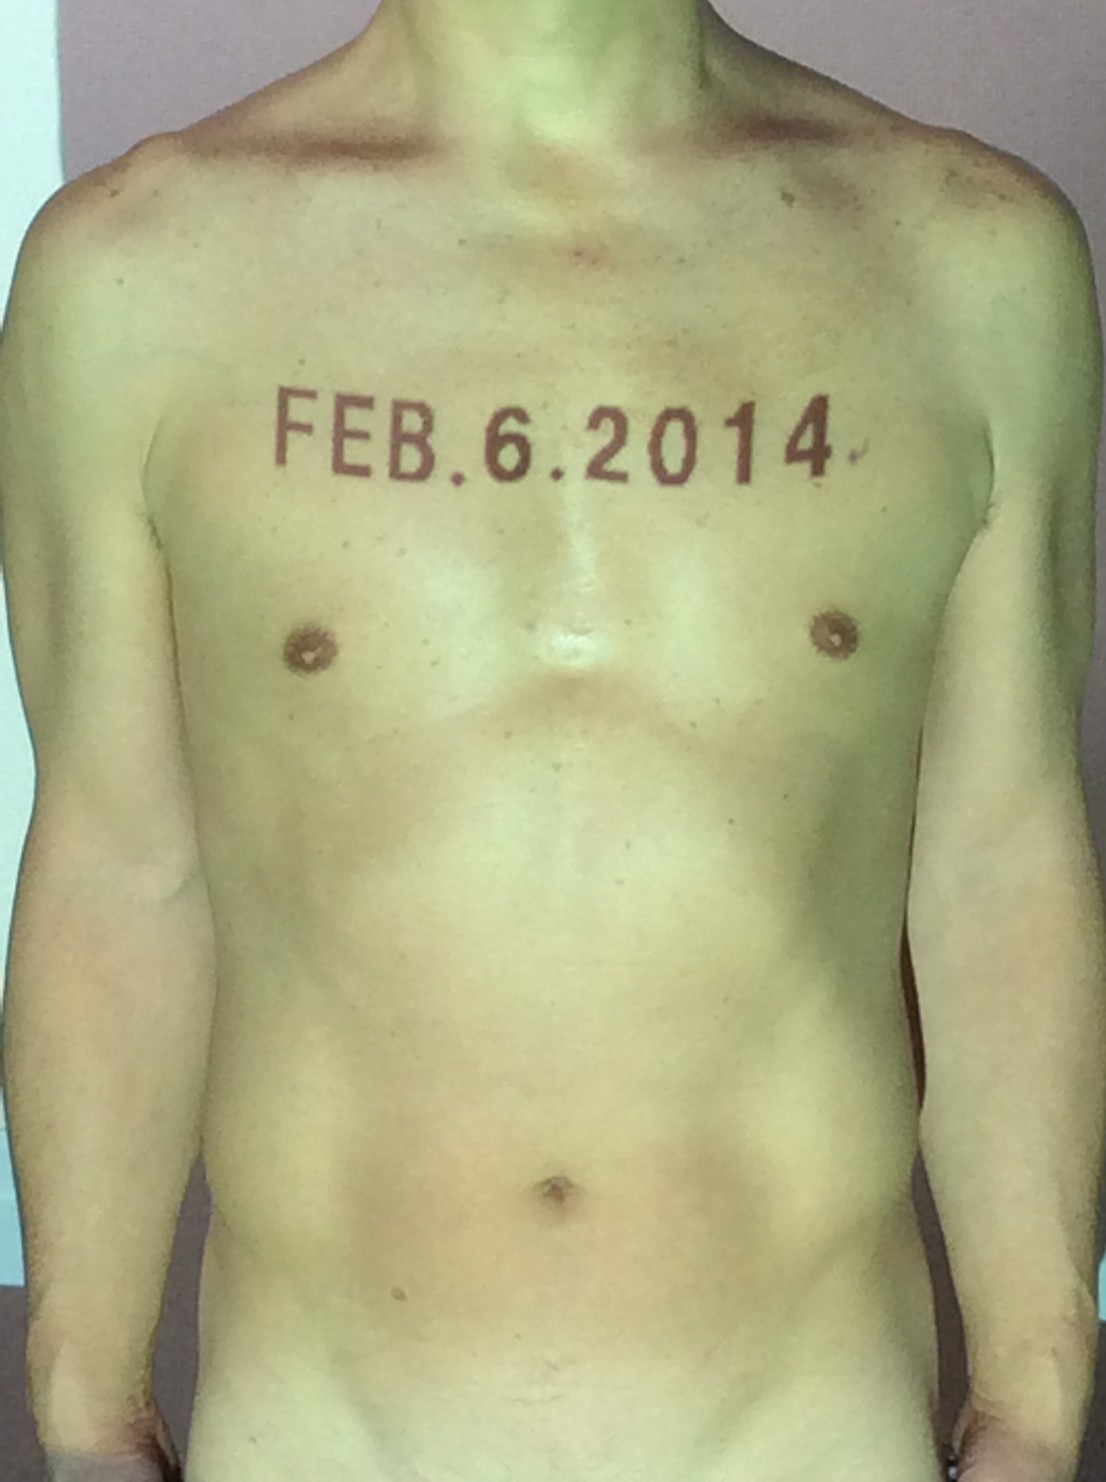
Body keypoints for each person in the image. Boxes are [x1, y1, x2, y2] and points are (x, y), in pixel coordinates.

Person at [1, 1, 1103, 1479]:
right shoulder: (132, 272)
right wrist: (86, 1420)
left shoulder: (972, 258)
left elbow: (998, 860)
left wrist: (1032, 1408)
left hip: (808, 1423)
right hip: (328, 1429)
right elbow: (120, 868)